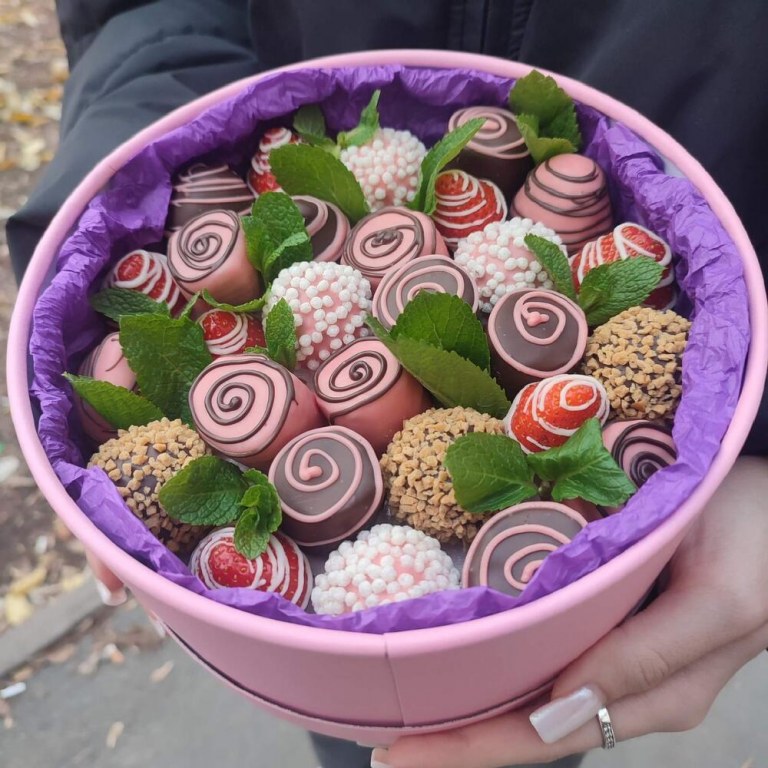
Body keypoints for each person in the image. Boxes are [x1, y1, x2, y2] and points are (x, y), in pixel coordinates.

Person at [8, 2, 768, 767]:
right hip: (324, 638)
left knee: (536, 718)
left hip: (614, 566)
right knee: (358, 733)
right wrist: (127, 159)